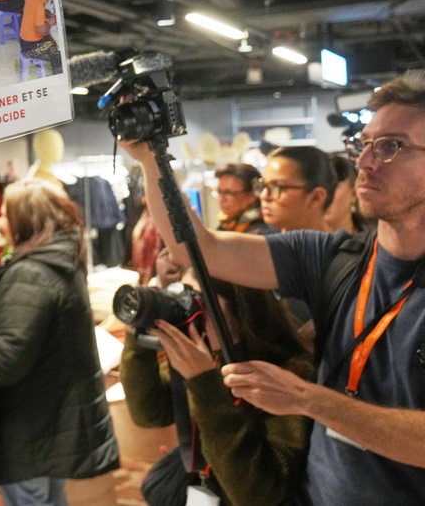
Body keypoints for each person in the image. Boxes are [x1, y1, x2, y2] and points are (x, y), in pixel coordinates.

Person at [121, 70, 425, 505]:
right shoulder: (333, 257)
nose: (366, 162)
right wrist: (151, 161)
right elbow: (198, 248)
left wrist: (308, 400)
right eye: (365, 144)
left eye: (391, 147)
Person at [0, 179, 119, 505]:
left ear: (27, 221)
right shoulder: (62, 262)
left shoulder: (32, 274)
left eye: (7, 215)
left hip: (29, 425)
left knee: (31, 500)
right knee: (50, 499)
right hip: (52, 419)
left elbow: (7, 360)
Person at [120, 276, 314, 506]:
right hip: (211, 485)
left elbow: (257, 493)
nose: (188, 309)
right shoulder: (213, 357)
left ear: (242, 314)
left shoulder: (291, 377)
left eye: (199, 300)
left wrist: (204, 384)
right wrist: (139, 339)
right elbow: (150, 413)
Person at [259, 146, 336, 233]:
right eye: (263, 185)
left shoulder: (342, 246)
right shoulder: (258, 243)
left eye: (278, 187)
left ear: (316, 197)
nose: (264, 196)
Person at [213, 163, 274, 234]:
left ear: (251, 196)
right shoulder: (229, 223)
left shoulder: (261, 231)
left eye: (229, 193)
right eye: (219, 192)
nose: (221, 199)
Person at [19, 0, 62, 74]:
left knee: (53, 41)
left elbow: (34, 13)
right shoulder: (38, 5)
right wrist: (50, 23)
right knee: (57, 52)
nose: (48, 0)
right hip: (31, 48)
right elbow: (42, 31)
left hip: (24, 41)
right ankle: (58, 76)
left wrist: (47, 13)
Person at [326, 154, 368, 234]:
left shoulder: (375, 241)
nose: (324, 195)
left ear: (354, 193)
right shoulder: (299, 243)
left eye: (333, 186)